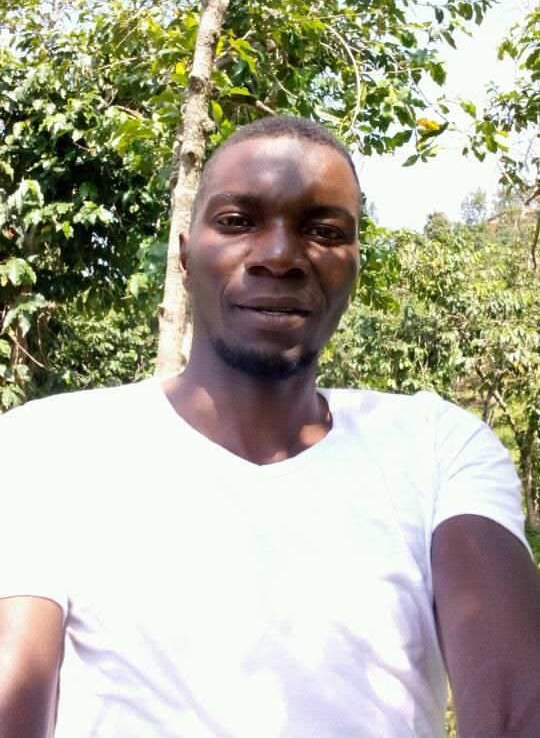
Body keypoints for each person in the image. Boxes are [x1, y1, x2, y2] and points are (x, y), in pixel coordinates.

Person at [0, 115, 539, 738]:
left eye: (324, 231)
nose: (280, 256)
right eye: (237, 221)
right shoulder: (51, 446)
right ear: (185, 256)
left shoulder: (436, 447)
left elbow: (513, 708)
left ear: (354, 266)